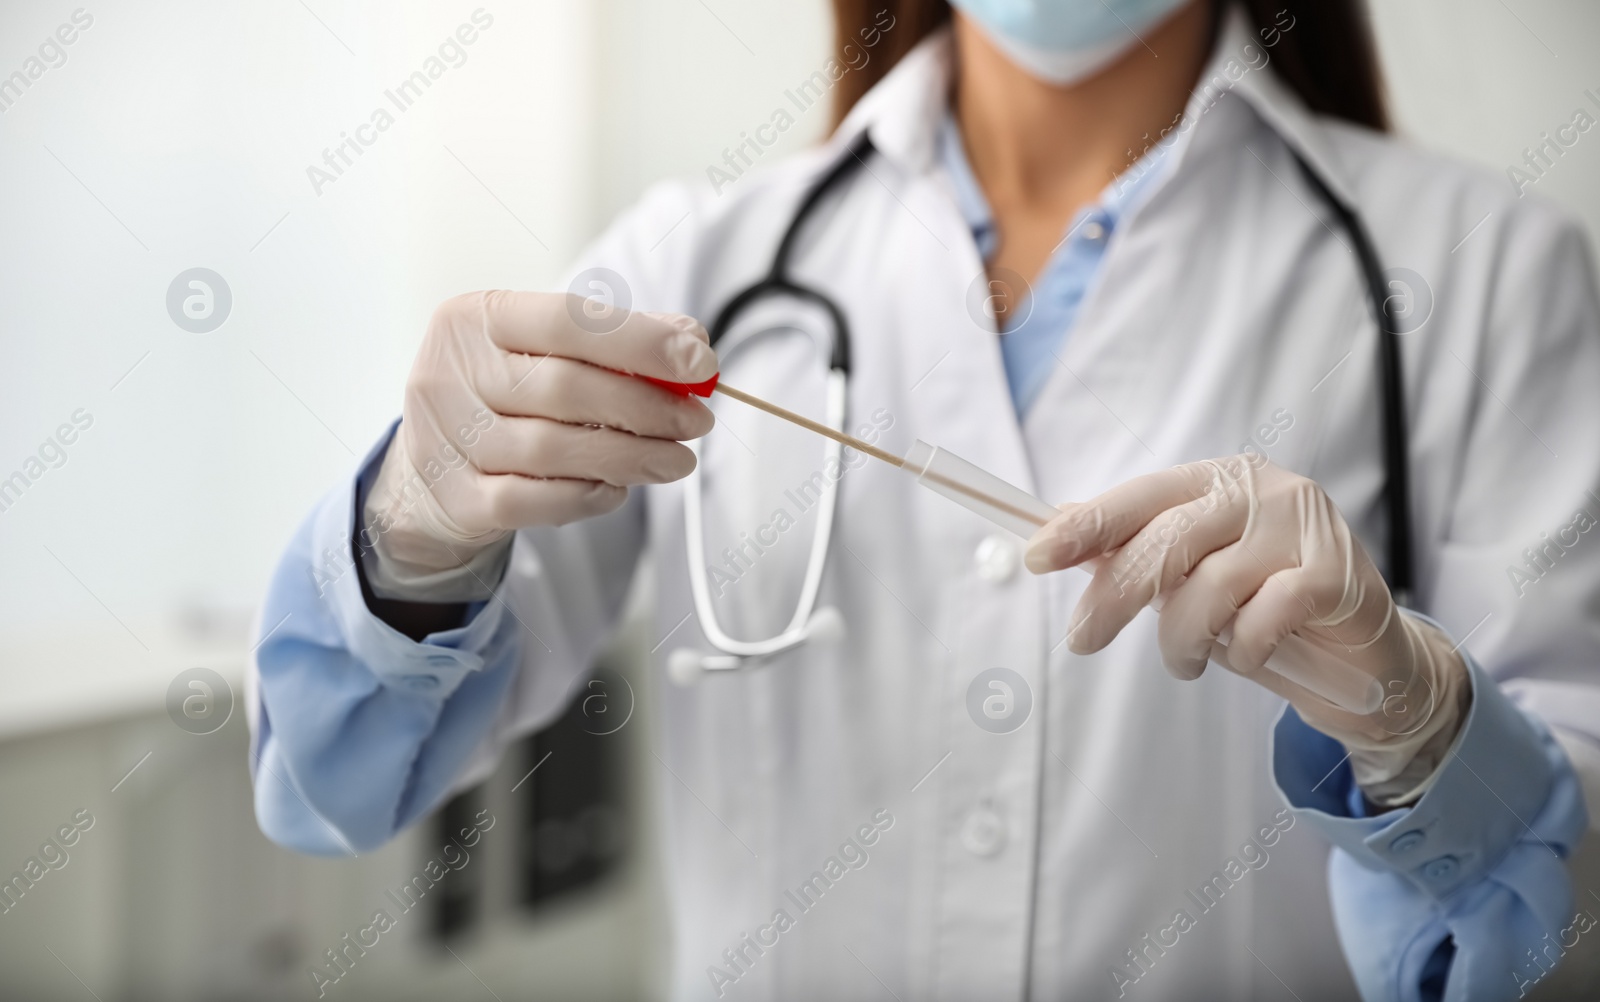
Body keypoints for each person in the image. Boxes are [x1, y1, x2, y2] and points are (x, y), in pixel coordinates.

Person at [248, 1, 1600, 999]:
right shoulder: (699, 263)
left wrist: (1421, 726)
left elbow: (1565, 929)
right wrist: (411, 524)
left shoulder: (1484, 274)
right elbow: (332, 779)